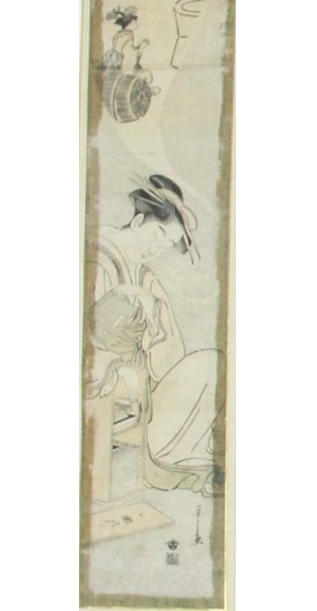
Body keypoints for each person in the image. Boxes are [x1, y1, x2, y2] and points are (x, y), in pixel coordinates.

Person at [85, 175, 224, 496]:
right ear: (137, 221)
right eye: (158, 234)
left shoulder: (143, 275)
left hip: (140, 391)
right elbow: (90, 338)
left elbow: (168, 357)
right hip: (103, 386)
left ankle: (178, 450)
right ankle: (172, 456)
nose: (158, 248)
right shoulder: (95, 257)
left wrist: (154, 313)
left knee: (211, 363)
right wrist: (125, 297)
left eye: (166, 244)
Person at [103, 6, 149, 73]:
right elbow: (131, 49)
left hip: (114, 56)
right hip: (120, 59)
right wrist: (141, 46)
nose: (136, 24)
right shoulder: (129, 34)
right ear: (128, 23)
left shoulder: (118, 34)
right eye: (134, 21)